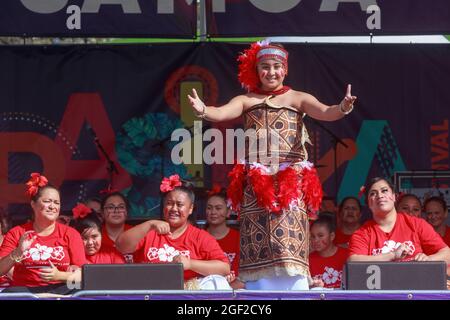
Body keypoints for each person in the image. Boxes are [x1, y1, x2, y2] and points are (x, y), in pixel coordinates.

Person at [187, 40, 356, 290]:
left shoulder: (297, 98)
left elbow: (325, 111)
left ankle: (297, 284)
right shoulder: (247, 99)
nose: (271, 72)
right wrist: (203, 110)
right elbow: (222, 112)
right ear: (257, 71)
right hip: (257, 182)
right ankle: (257, 286)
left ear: (285, 69)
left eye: (277, 66)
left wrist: (343, 107)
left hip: (290, 180)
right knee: (257, 234)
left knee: (290, 233)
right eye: (265, 67)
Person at [116, 174, 231, 290]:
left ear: (190, 208)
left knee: (218, 283)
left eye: (180, 205)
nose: (174, 209)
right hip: (150, 292)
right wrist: (149, 224)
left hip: (186, 297)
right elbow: (121, 246)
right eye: (169, 203)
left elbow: (224, 268)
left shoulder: (200, 236)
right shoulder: (149, 231)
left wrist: (190, 264)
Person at [0, 173, 85, 289]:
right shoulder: (17, 233)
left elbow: (84, 275)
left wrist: (60, 275)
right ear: (33, 204)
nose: (52, 206)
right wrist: (18, 252)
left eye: (56, 203)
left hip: (61, 292)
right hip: (25, 293)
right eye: (47, 201)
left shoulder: (71, 234)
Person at [348, 177, 450, 268]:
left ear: (394, 197)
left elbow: (447, 254)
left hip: (416, 286)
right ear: (368, 203)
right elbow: (353, 261)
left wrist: (428, 260)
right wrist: (392, 255)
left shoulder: (417, 224)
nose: (380, 195)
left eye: (384, 191)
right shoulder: (362, 233)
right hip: (381, 288)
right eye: (373, 193)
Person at [205, 184, 244, 289]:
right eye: (209, 208)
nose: (213, 212)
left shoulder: (239, 238)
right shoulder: (199, 237)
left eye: (218, 208)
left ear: (228, 212)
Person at [309, 214, 348, 289]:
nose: (315, 240)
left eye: (320, 236)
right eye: (313, 236)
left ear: (332, 236)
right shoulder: (308, 260)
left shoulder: (347, 256)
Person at [101, 191, 134, 263]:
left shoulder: (136, 233)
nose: (116, 211)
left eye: (121, 207)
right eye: (110, 207)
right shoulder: (95, 235)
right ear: (102, 213)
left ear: (127, 212)